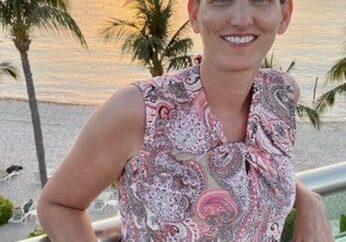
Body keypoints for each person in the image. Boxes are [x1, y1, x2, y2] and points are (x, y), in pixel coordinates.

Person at [37, 0, 335, 241]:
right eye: (221, 1)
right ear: (194, 13)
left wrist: (309, 200)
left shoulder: (280, 96)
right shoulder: (140, 111)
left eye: (260, 0)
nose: (242, 17)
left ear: (284, 15)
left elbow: (255, 169)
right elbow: (58, 205)